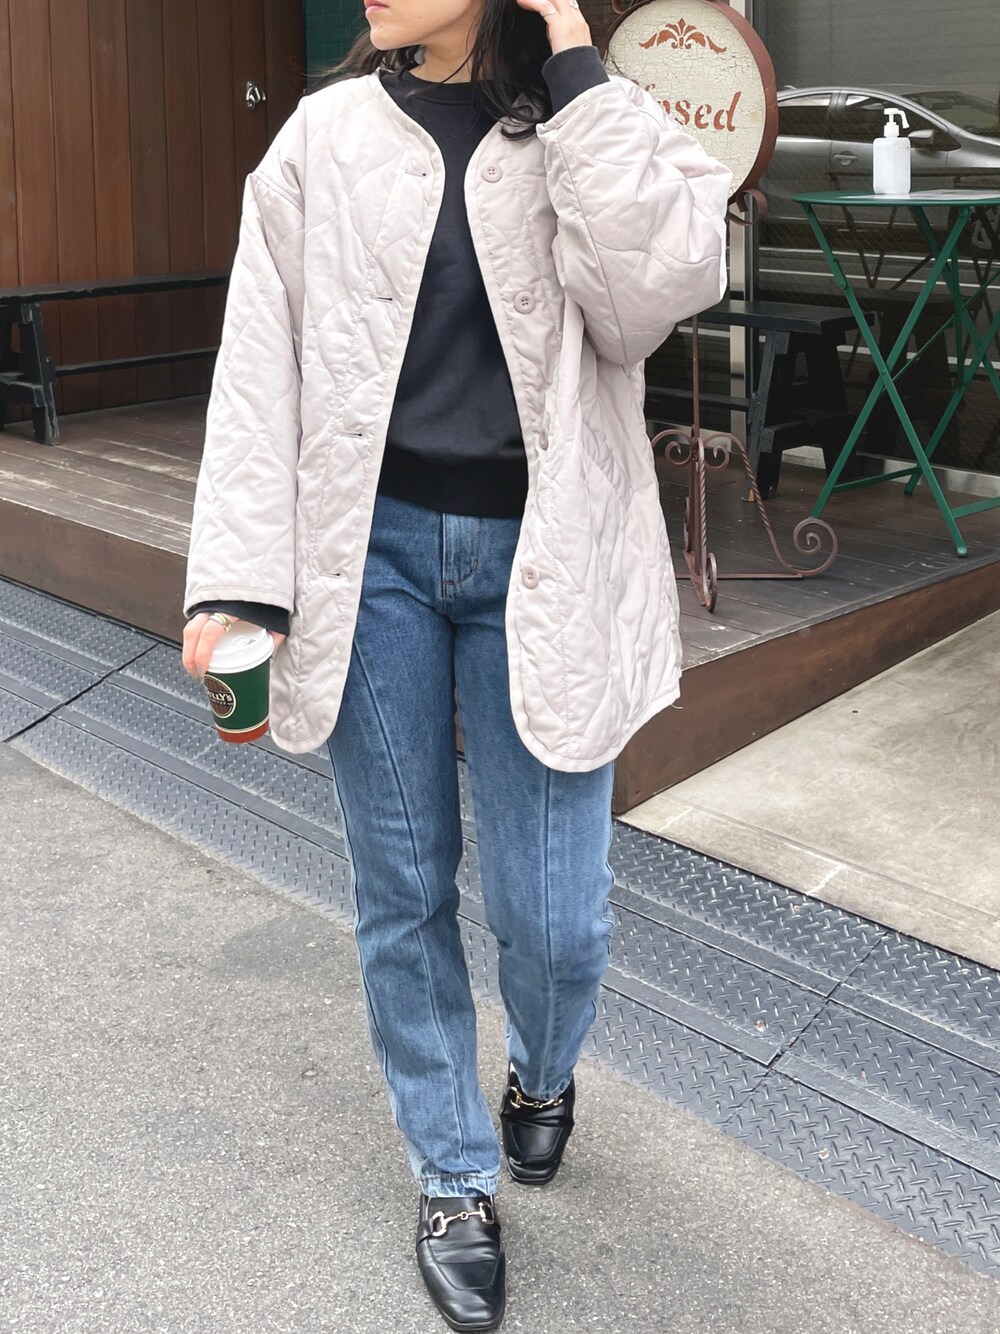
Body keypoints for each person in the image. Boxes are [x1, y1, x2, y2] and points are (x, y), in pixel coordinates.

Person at [181, 0, 731, 1325]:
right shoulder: (321, 136)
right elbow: (260, 362)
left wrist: (576, 59)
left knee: (558, 918)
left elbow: (658, 294)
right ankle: (451, 1172)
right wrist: (239, 580)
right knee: (403, 884)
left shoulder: (593, 120)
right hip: (364, 557)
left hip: (547, 556)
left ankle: (543, 1067)